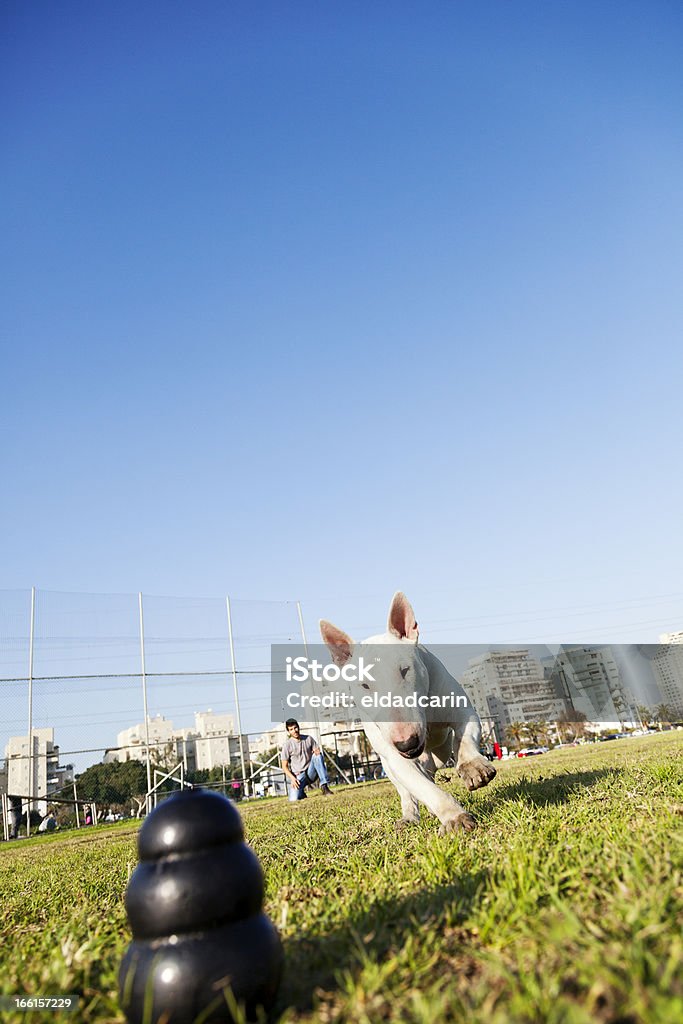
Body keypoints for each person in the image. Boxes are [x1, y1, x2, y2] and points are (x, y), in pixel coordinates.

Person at [280, 719, 333, 801]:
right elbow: (284, 766)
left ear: (298, 727)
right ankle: (301, 793)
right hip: (298, 776)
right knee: (293, 799)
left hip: (311, 772)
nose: (294, 731)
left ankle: (324, 786)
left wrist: (317, 751)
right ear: (288, 731)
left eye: (295, 728)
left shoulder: (308, 739)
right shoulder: (287, 745)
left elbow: (317, 752)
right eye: (291, 729)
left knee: (317, 756)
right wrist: (292, 778)